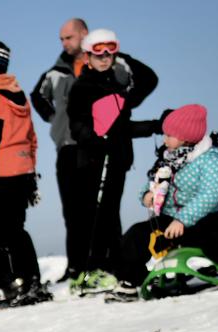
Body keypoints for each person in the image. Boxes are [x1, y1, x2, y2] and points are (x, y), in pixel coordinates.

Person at [106, 105, 218, 301]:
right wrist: (147, 194)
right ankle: (130, 282)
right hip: (170, 218)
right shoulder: (168, 158)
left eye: (169, 135)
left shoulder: (210, 159)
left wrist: (183, 220)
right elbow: (153, 181)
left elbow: (210, 195)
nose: (164, 139)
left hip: (206, 218)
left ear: (186, 137)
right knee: (136, 236)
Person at [66, 29, 162, 294]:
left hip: (117, 158)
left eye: (110, 51)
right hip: (96, 160)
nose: (105, 58)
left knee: (110, 214)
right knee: (100, 215)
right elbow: (76, 126)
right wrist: (96, 139)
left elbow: (149, 79)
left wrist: (156, 126)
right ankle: (90, 270)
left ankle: (114, 267)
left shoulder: (117, 84)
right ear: (87, 56)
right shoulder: (82, 87)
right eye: (98, 53)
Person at [0, 40, 51, 306]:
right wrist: (31, 173)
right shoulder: (19, 96)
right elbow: (31, 138)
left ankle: (10, 284)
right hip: (22, 173)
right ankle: (30, 281)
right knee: (17, 230)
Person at [30, 18, 90, 282]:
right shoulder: (55, 72)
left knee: (98, 209)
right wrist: (54, 118)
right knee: (72, 212)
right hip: (65, 149)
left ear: (83, 35)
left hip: (95, 147)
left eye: (70, 37)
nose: (65, 43)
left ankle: (105, 262)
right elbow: (37, 96)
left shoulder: (99, 63)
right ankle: (75, 267)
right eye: (62, 39)